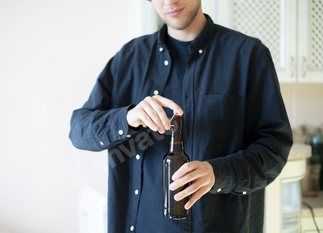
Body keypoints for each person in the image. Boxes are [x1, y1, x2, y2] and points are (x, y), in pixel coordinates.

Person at [69, 0, 293, 232]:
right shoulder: (129, 57)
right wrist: (126, 118)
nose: (170, 1)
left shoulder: (248, 55)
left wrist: (218, 173)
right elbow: (78, 130)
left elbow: (274, 148)